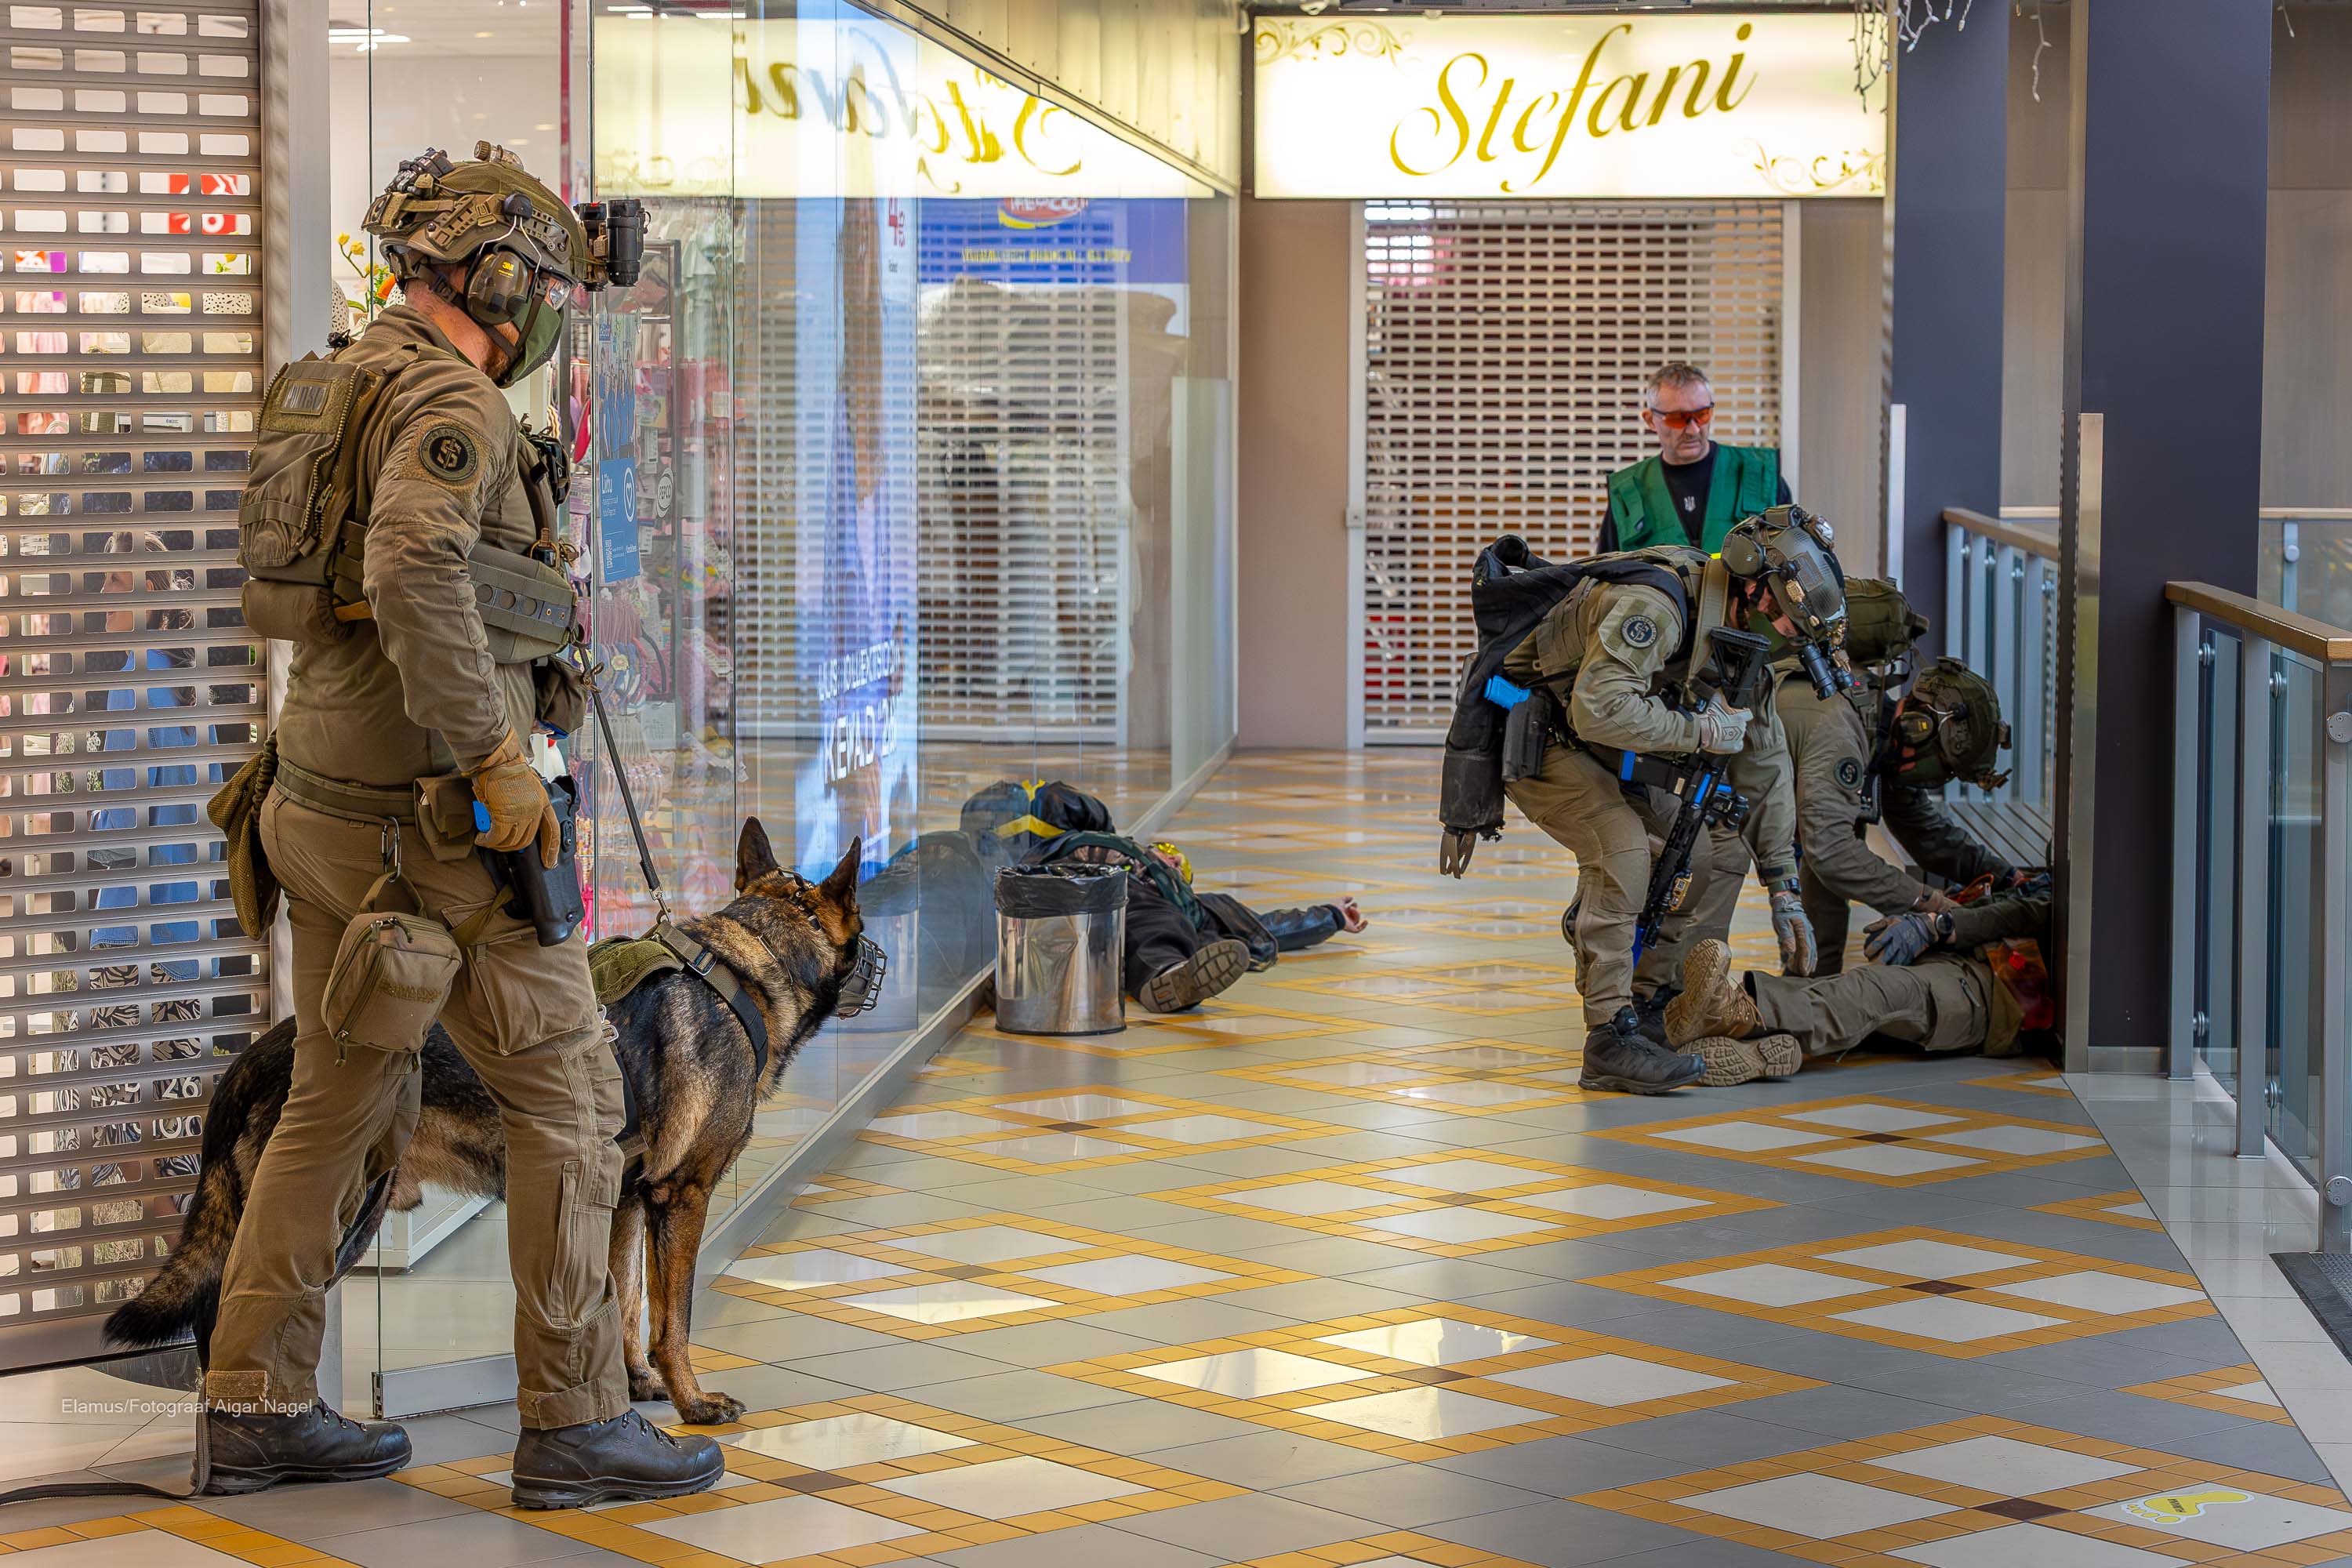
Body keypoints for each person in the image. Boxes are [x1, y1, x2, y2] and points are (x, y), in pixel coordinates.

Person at [203, 147, 721, 1505]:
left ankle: (253, 1401)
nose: (550, 309)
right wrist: (497, 761)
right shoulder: (453, 406)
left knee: (341, 1093)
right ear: (494, 280)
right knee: (575, 1094)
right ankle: (574, 1421)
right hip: (430, 824)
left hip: (317, 800)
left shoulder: (341, 378)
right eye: (545, 283)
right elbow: (409, 570)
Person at [1453, 508, 1847, 1094]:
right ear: (1752, 586)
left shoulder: (1741, 626)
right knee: (1622, 849)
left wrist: (1785, 886)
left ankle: (1649, 1008)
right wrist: (1701, 734)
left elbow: (1764, 759)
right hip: (1530, 720)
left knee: (1707, 852)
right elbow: (1598, 707)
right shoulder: (1657, 606)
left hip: (1597, 735)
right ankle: (1609, 1038)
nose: (1781, 634)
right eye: (1783, 620)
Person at [1780, 597, 2023, 971]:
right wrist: (1930, 903)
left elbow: (1926, 833)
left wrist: (2006, 875)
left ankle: (1811, 983)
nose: (1936, 781)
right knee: (1705, 892)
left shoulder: (1887, 737)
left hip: (1755, 810)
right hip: (1719, 805)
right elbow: (1831, 852)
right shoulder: (1845, 731)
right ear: (1919, 728)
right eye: (1943, 768)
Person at [1663, 877, 2054, 1086]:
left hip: (1997, 993)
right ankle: (1755, 1039)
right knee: (1851, 992)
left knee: (1872, 993)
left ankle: (1728, 1012)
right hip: (1970, 968)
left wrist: (1938, 924)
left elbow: (2036, 912)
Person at [1034, 830, 1366, 1012]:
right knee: (1161, 923)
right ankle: (1166, 976)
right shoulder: (1108, 846)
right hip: (1061, 881)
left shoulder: (1187, 907)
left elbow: (1264, 926)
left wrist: (1332, 916)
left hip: (1084, 914)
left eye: (1180, 867)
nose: (1173, 860)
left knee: (1162, 925)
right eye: (1168, 854)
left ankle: (1170, 980)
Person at [1595, 362, 1793, 554]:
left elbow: (1793, 561)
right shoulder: (1628, 492)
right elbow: (1606, 575)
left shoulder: (1759, 477)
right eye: (1677, 418)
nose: (1693, 429)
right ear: (1650, 420)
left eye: (1702, 414)